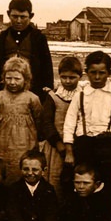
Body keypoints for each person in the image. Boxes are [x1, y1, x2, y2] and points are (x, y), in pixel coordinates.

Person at [63, 51, 111, 193]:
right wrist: (69, 151)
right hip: (84, 146)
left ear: (109, 73)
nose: (97, 77)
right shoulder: (80, 96)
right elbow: (69, 124)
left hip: (108, 147)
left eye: (102, 73)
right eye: (93, 72)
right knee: (83, 184)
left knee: (106, 185)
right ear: (86, 72)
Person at [0, 0, 53, 106]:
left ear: (31, 16)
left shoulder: (39, 39)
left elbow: (47, 69)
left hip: (33, 95)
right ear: (8, 14)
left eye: (23, 17)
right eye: (14, 16)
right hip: (4, 96)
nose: (18, 21)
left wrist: (47, 99)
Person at [0, 56, 44, 185]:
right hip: (1, 143)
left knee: (20, 172)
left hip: (24, 143)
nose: (12, 82)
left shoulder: (32, 99)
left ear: (26, 79)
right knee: (1, 172)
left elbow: (39, 120)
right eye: (9, 78)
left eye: (17, 79)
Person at [3, 149, 58, 221]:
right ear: (20, 169)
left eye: (35, 170)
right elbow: (13, 213)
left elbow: (52, 212)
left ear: (44, 171)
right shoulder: (15, 188)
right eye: (26, 169)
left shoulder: (49, 189)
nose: (30, 173)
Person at [41, 56, 82, 201]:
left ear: (80, 77)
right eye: (64, 77)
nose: (68, 81)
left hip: (77, 145)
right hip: (56, 147)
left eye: (72, 77)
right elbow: (46, 123)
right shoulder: (53, 96)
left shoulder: (83, 95)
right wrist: (58, 144)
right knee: (55, 179)